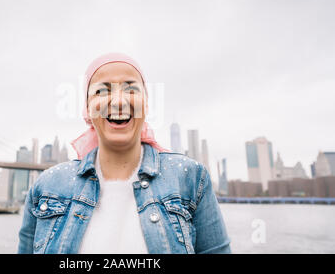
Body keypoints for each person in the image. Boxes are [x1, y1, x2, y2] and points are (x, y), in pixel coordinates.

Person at [18, 53, 231, 254]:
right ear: (88, 108)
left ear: (146, 104)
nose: (119, 101)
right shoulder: (46, 187)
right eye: (102, 91)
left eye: (131, 89)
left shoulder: (191, 179)